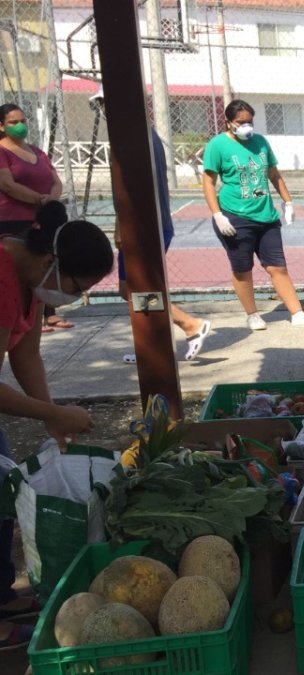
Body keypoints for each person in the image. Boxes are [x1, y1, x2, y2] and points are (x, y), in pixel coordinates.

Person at [0, 201, 112, 650]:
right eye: (76, 288)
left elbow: (25, 355)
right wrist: (52, 414)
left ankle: (4, 598)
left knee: (8, 492)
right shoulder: (4, 280)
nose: (73, 298)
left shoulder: (30, 279)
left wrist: (51, 418)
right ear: (51, 263)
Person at [101, 98, 211, 361]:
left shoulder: (134, 139)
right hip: (150, 227)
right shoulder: (145, 136)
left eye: (108, 104)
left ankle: (187, 325)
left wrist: (121, 227)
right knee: (133, 288)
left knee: (138, 289)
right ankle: (155, 342)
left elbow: (130, 191)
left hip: (141, 229)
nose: (106, 112)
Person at [202, 99, 304, 330]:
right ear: (229, 123)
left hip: (266, 216)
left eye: (250, 122)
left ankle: (297, 314)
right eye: (241, 122)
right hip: (234, 217)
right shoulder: (218, 145)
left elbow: (273, 174)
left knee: (278, 267)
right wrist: (218, 214)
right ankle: (252, 314)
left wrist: (288, 202)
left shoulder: (260, 142)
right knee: (242, 269)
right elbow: (208, 182)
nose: (246, 126)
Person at [0, 103, 72, 334]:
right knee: (19, 273)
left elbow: (55, 181)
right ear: (1, 126)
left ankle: (46, 315)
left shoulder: (37, 151)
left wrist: (50, 200)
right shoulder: (1, 151)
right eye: (13, 122)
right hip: (12, 222)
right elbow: (7, 185)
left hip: (42, 219)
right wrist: (39, 200)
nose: (20, 126)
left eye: (23, 120)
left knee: (45, 265)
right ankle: (22, 320)